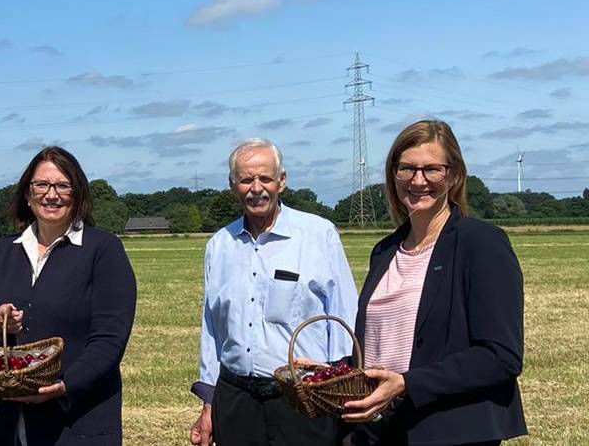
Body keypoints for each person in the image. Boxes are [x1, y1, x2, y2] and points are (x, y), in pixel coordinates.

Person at [341, 120, 526, 444]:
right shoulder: (384, 251)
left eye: (432, 169)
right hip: (382, 430)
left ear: (453, 176)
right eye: (407, 169)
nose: (418, 180)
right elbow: (380, 348)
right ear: (393, 174)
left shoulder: (480, 243)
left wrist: (407, 384)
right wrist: (329, 372)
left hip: (451, 432)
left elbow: (501, 356)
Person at [0, 146, 137, 445]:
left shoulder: (103, 249)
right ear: (27, 194)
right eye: (42, 185)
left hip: (76, 422)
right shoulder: (4, 250)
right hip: (7, 423)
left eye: (62, 186)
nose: (51, 195)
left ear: (78, 194)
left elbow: (110, 339)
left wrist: (64, 385)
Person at [190, 138, 359, 446]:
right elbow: (212, 330)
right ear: (232, 186)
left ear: (282, 181)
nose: (256, 188)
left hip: (303, 399)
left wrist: (340, 397)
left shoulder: (318, 235)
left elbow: (344, 314)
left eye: (265, 178)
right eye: (246, 180)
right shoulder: (220, 245)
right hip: (237, 400)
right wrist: (209, 404)